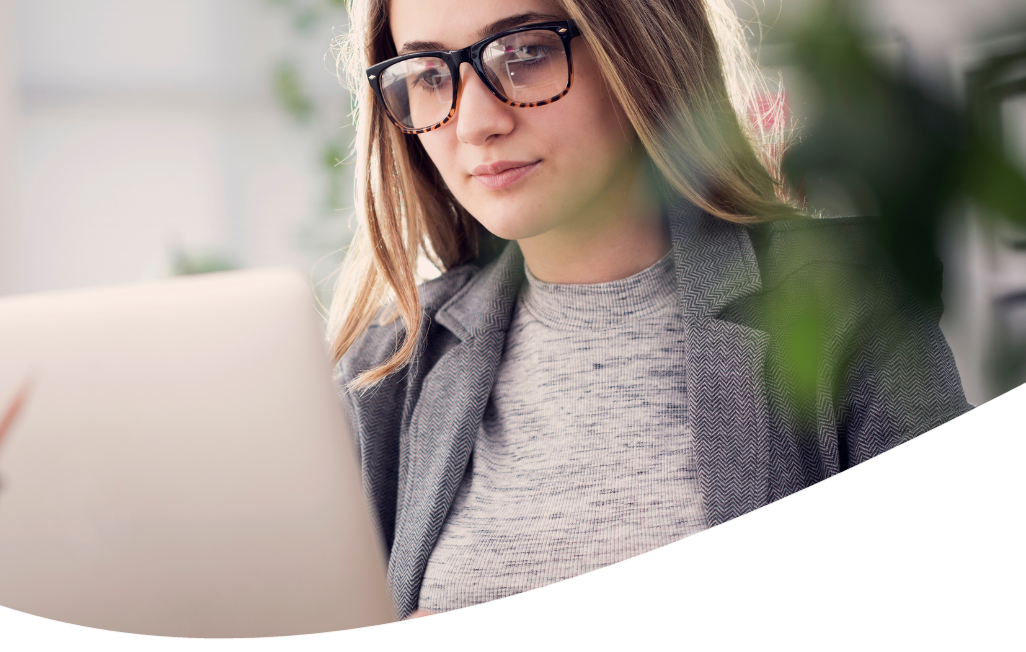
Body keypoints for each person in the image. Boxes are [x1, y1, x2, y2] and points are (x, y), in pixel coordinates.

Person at [328, 0, 971, 620]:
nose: (474, 123)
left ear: (634, 49)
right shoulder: (390, 367)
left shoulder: (841, 306)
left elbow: (966, 602)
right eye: (429, 76)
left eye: (525, 52)